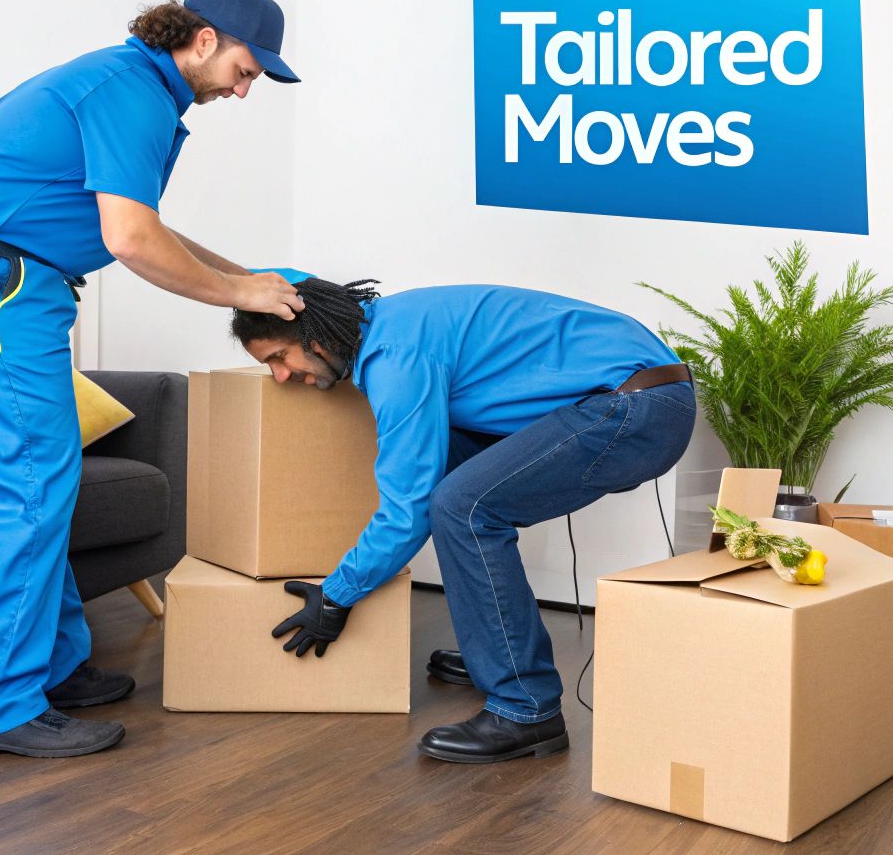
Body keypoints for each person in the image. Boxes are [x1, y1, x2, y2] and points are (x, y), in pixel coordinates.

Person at [0, 0, 304, 758]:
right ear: (206, 39)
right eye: (248, 71)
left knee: (44, 473)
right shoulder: (132, 94)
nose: (246, 91)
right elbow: (133, 241)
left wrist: (250, 278)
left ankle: (50, 666)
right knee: (25, 481)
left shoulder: (129, 83)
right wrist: (237, 291)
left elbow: (147, 226)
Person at [242, 275, 695, 763]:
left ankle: (527, 708)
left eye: (277, 359)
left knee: (463, 506)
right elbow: (253, 278)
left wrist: (336, 595)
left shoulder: (395, 358)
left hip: (636, 407)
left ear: (314, 338)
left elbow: (408, 510)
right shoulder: (389, 327)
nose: (279, 376)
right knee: (450, 474)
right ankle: (498, 655)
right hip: (622, 396)